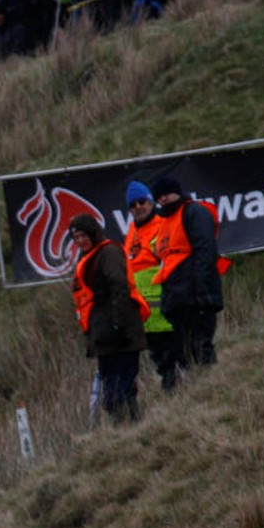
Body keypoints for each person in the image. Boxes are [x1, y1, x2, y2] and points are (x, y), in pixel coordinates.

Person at [65, 214, 145, 424]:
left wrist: (119, 323)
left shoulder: (108, 253)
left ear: (93, 233)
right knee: (115, 381)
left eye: (83, 235)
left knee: (120, 383)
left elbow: (119, 287)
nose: (80, 241)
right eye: (76, 237)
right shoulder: (87, 258)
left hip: (119, 330)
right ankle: (129, 423)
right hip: (103, 331)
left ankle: (124, 424)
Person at [151, 175, 224, 369]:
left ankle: (211, 381)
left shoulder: (194, 212)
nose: (162, 199)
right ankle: (200, 383)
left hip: (196, 296)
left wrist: (202, 291)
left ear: (177, 192)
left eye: (166, 193)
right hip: (177, 299)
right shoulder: (165, 222)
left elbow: (206, 251)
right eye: (158, 196)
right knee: (186, 353)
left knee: (201, 347)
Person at [121, 181, 182, 391]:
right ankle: (174, 396)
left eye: (141, 202)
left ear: (150, 202)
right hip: (146, 317)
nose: (138, 207)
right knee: (161, 364)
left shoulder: (163, 224)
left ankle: (183, 396)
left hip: (167, 312)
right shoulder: (132, 230)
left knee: (176, 362)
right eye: (133, 205)